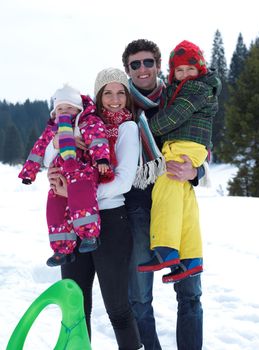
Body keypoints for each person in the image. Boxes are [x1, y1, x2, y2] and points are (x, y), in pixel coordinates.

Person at [47, 68, 144, 349]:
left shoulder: (127, 128)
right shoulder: (81, 122)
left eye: (121, 93)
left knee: (118, 307)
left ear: (127, 97)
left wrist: (77, 194)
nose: (115, 100)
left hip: (111, 219)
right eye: (108, 93)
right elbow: (49, 158)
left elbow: (124, 181)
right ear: (99, 96)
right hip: (73, 223)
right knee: (76, 306)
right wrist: (55, 146)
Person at [122, 39, 206, 350]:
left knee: (190, 293)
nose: (142, 69)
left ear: (159, 66)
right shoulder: (120, 105)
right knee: (140, 299)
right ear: (127, 69)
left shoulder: (180, 97)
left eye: (147, 62)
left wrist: (196, 172)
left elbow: (198, 148)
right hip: (138, 210)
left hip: (178, 205)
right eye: (135, 64)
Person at [138, 40, 221, 285]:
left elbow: (175, 116)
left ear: (200, 70)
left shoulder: (194, 89)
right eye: (180, 71)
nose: (185, 75)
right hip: (189, 147)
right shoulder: (178, 90)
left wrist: (146, 128)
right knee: (186, 204)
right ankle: (192, 259)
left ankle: (166, 249)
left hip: (182, 148)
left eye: (190, 70)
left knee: (166, 186)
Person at [19, 85, 114, 267]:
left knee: (81, 196)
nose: (65, 112)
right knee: (54, 208)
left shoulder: (87, 122)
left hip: (82, 171)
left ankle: (89, 235)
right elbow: (39, 149)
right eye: (60, 109)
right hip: (60, 175)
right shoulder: (53, 130)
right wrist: (29, 172)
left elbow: (97, 140)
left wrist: (101, 159)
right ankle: (62, 249)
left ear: (79, 109)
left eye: (69, 108)